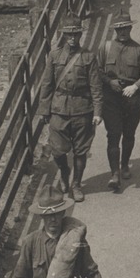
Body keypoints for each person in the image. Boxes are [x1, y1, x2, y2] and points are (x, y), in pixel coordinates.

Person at [38, 12, 103, 203]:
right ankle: (65, 173)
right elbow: (47, 84)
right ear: (63, 35)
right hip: (59, 109)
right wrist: (44, 110)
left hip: (83, 110)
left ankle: (76, 185)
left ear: (80, 35)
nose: (72, 38)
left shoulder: (89, 57)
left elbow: (96, 87)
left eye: (76, 34)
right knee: (57, 150)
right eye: (69, 35)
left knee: (81, 150)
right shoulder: (54, 56)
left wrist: (98, 112)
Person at [97, 7, 140, 193]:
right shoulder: (105, 48)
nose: (122, 32)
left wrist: (135, 86)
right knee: (113, 135)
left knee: (128, 135)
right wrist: (109, 81)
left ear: (130, 29)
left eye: (126, 28)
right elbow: (96, 71)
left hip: (132, 100)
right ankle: (114, 174)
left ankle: (124, 165)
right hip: (111, 100)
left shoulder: (139, 50)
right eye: (119, 29)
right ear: (115, 30)